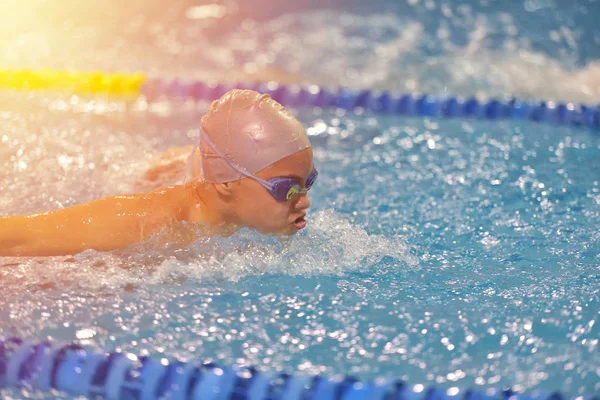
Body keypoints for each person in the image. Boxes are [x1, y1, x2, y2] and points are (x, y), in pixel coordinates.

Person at [0, 89, 318, 257]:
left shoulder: (238, 184)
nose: (304, 202)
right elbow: (18, 238)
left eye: (308, 183)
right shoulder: (150, 220)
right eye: (286, 189)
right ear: (226, 185)